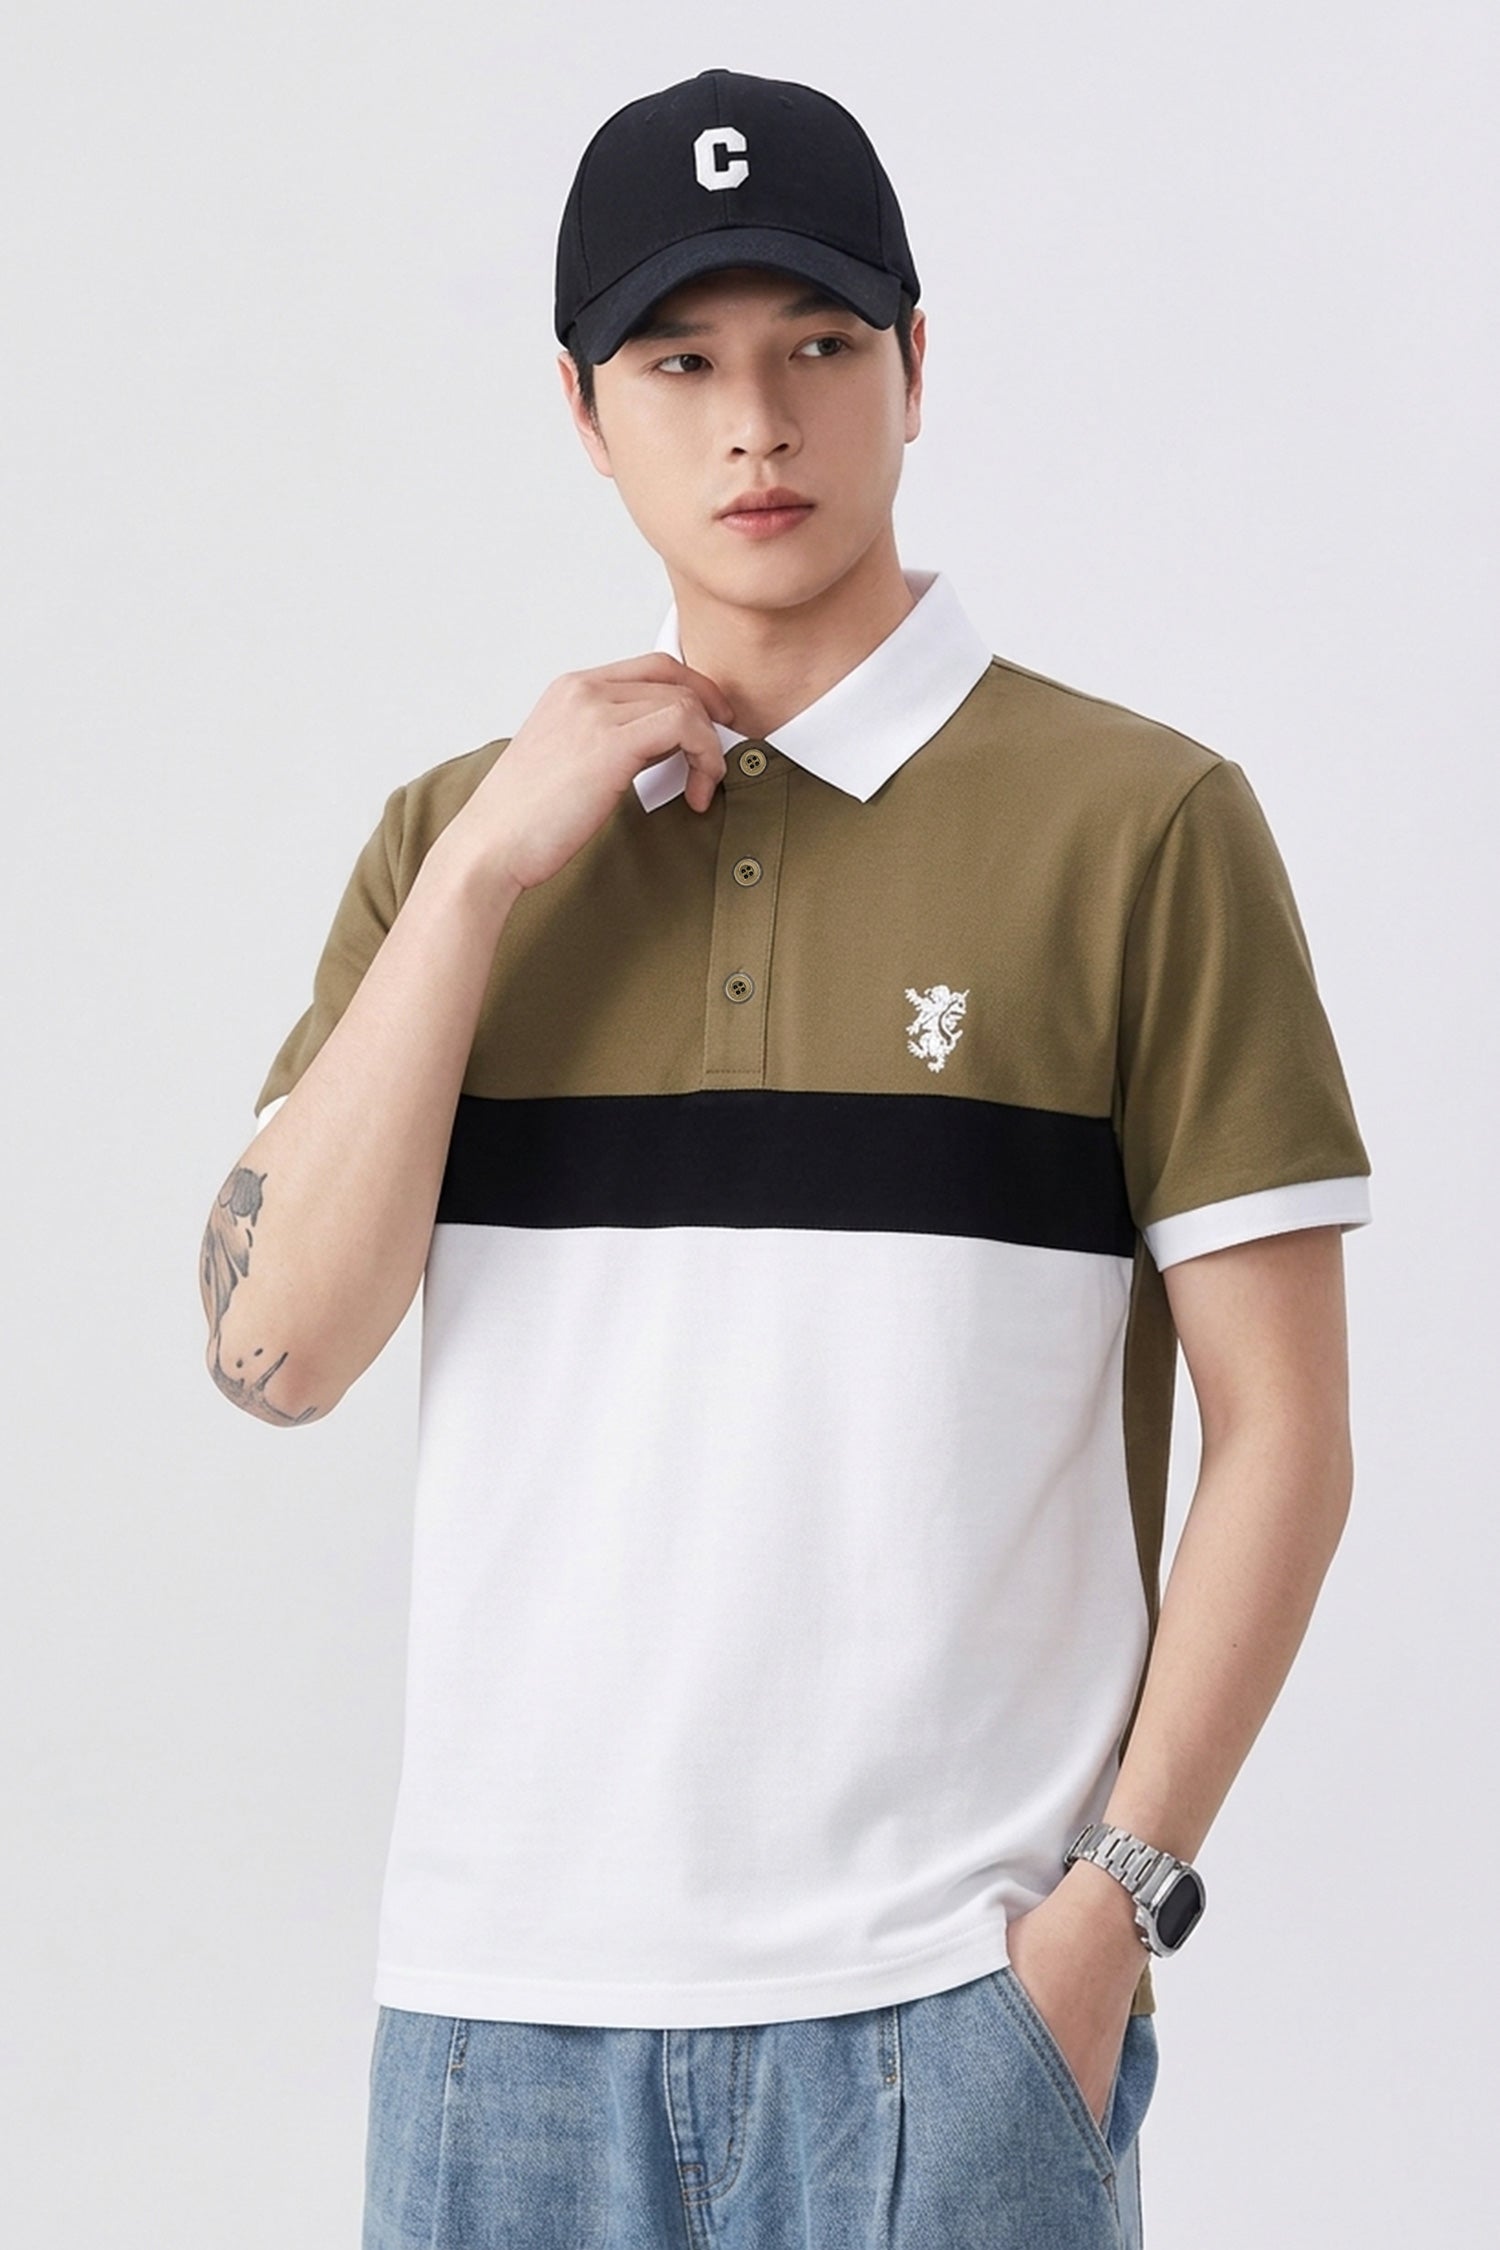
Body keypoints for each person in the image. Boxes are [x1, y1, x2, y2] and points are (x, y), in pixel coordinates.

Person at [200, 66, 1373, 2250]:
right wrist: (481, 884)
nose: (757, 424)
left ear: (916, 364)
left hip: (957, 2016)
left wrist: (1105, 1921)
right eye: (681, 363)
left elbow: (1287, 1433)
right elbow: (278, 1349)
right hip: (495, 2028)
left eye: (818, 345)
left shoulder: (1142, 827)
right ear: (583, 409)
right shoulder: (451, 844)